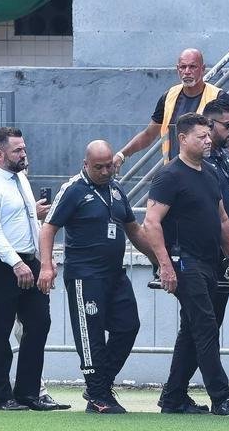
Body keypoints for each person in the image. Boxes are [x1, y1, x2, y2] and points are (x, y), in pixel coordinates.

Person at [141, 113, 229, 416]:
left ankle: (173, 398)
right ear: (183, 138)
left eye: (208, 135)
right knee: (205, 327)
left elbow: (223, 220)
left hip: (209, 262)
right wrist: (165, 265)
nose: (207, 141)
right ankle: (221, 398)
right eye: (200, 136)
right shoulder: (169, 176)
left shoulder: (211, 172)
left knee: (192, 330)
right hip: (183, 262)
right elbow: (151, 222)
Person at [38, 140, 156, 414]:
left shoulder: (116, 190)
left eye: (109, 166)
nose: (106, 172)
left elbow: (134, 230)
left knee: (128, 326)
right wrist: (47, 265)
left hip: (115, 275)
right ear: (86, 165)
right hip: (85, 277)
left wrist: (159, 260)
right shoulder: (73, 190)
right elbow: (48, 228)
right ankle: (99, 395)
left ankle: (99, 385)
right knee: (91, 337)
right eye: (99, 167)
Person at [0, 127, 59, 412]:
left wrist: (44, 259)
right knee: (0, 330)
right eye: (18, 150)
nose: (24, 154)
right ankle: (3, 396)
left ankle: (28, 393)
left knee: (39, 324)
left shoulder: (20, 178)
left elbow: (31, 222)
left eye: (24, 148)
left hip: (28, 260)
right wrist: (16, 263)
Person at [113, 48, 229, 169]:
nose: (187, 71)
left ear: (202, 69)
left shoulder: (218, 97)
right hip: (174, 174)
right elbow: (148, 134)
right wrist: (121, 155)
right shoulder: (168, 97)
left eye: (192, 67)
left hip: (206, 175)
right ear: (177, 69)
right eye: (183, 67)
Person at [201, 96, 229, 328]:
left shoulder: (225, 158)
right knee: (199, 325)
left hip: (227, 248)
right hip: (205, 253)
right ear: (209, 125)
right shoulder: (199, 162)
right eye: (228, 125)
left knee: (215, 321)